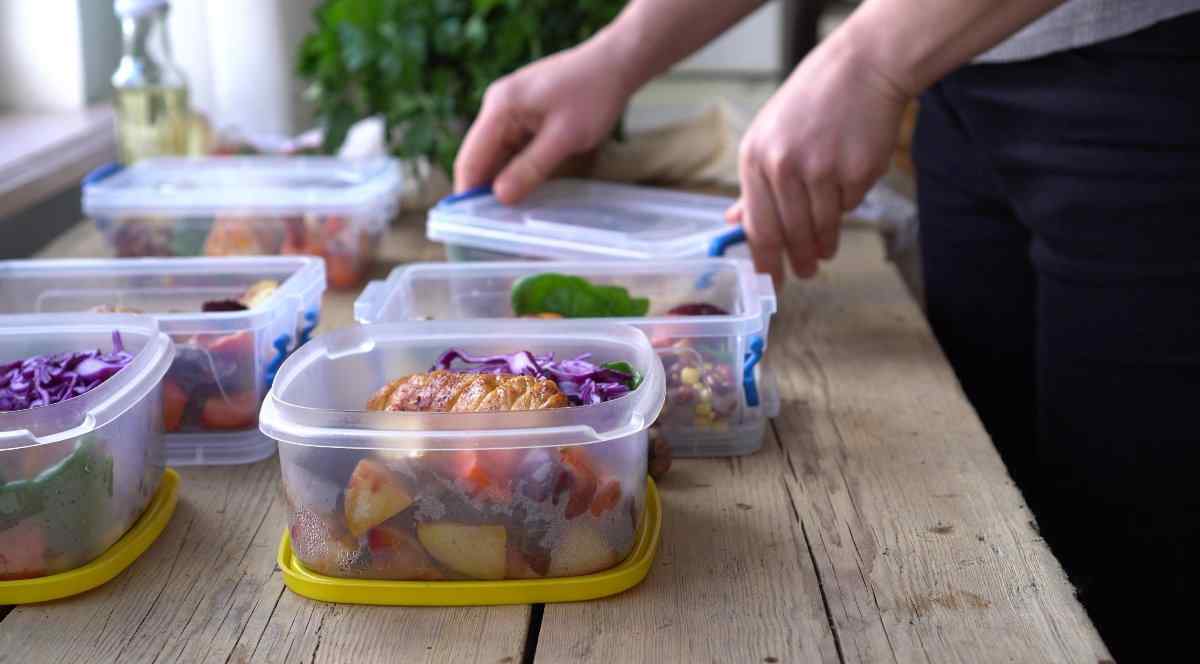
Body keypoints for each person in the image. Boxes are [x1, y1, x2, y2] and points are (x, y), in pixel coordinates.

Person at [454, 1, 1200, 659]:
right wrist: (617, 55)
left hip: (1152, 77)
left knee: (1137, 554)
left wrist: (870, 55)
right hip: (957, 77)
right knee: (1015, 514)